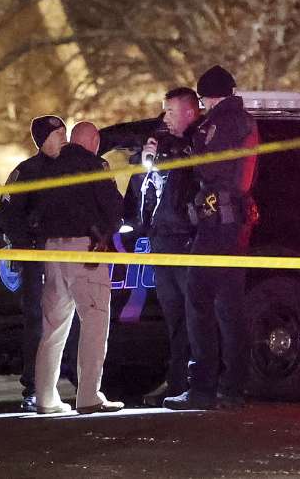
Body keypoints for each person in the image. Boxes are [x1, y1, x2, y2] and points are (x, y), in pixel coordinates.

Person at [163, 66, 259, 411]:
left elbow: (208, 168)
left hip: (218, 222)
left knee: (197, 297)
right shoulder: (245, 120)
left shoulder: (218, 123)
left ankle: (202, 386)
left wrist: (184, 151)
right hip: (237, 223)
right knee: (230, 305)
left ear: (207, 96)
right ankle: (234, 386)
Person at [33, 119, 125, 415]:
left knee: (53, 329)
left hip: (51, 252)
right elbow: (113, 208)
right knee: (95, 324)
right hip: (84, 251)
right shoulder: (94, 166)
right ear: (94, 141)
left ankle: (45, 399)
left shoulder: (49, 166)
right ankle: (88, 396)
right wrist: (107, 232)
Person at [0, 115, 77, 412]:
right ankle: (34, 387)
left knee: (70, 320)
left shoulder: (71, 167)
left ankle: (71, 383)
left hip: (69, 254)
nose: (64, 137)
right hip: (37, 257)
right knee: (38, 321)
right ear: (42, 138)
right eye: (58, 133)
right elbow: (8, 213)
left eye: (65, 132)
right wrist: (26, 243)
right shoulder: (26, 172)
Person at [135, 87, 203, 406]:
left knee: (192, 318)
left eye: (171, 112)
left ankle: (196, 383)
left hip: (186, 241)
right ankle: (177, 383)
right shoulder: (164, 147)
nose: (165, 118)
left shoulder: (198, 144)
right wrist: (148, 160)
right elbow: (145, 192)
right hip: (162, 239)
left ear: (190, 112)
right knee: (174, 318)